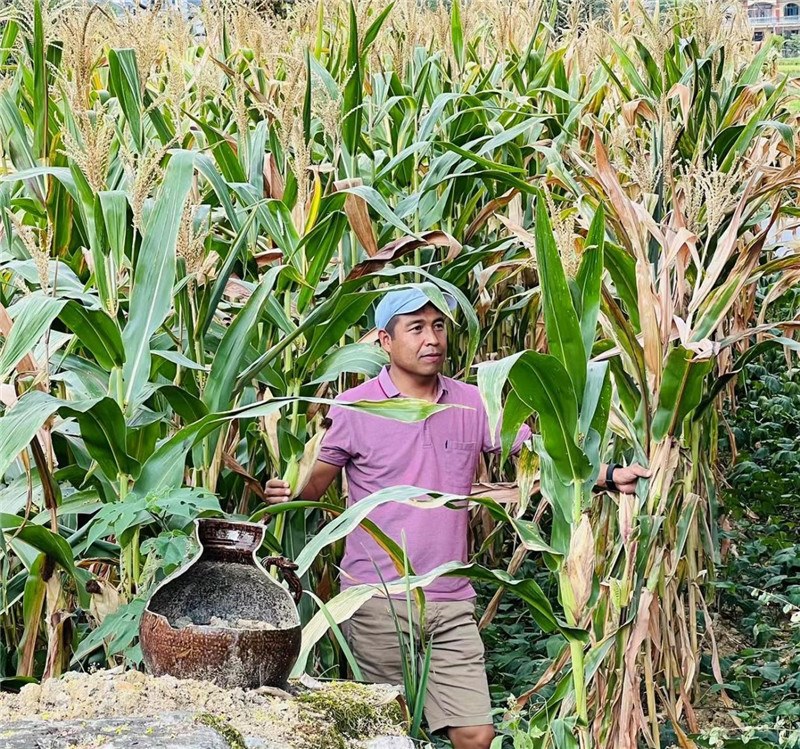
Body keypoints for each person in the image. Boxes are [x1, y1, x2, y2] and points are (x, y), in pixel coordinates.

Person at [265, 285, 650, 749]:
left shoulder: (474, 402)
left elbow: (546, 455)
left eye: (439, 326)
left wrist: (609, 475)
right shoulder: (355, 408)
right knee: (388, 732)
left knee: (476, 733)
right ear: (385, 342)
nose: (432, 338)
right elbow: (313, 488)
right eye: (416, 328)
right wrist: (283, 493)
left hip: (451, 595)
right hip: (375, 600)